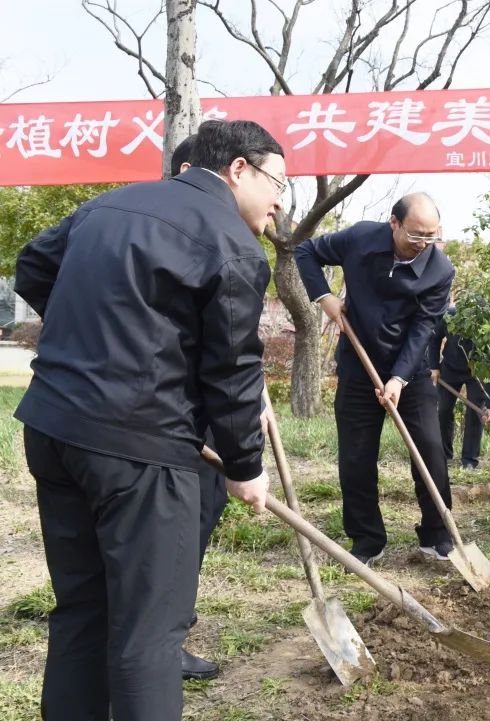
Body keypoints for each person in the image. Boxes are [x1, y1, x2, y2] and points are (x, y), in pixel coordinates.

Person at [14, 119, 280, 721]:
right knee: (149, 633)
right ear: (239, 169)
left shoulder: (110, 203)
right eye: (277, 184)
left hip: (55, 430)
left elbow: (34, 265)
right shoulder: (232, 243)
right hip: (140, 453)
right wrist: (243, 466)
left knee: (83, 610)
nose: (277, 203)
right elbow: (233, 368)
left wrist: (98, 333)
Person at [294, 192, 455, 565]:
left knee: (431, 450)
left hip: (410, 371)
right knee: (356, 457)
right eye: (416, 235)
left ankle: (437, 534)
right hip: (357, 365)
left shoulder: (440, 270)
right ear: (394, 223)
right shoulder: (360, 238)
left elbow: (424, 327)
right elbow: (306, 252)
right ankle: (367, 538)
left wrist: (399, 378)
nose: (423, 244)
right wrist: (324, 297)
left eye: (431, 236)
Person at [168, 135, 228, 682]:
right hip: (164, 423)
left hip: (205, 412)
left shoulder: (223, 237)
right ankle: (157, 643)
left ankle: (172, 632)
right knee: (174, 528)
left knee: (202, 518)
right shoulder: (167, 230)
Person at [430, 304, 490, 470]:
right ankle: (444, 455)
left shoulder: (485, 326)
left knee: (476, 413)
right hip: (450, 368)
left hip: (475, 372)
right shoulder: (450, 316)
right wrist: (434, 366)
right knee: (443, 411)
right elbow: (434, 337)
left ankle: (469, 460)